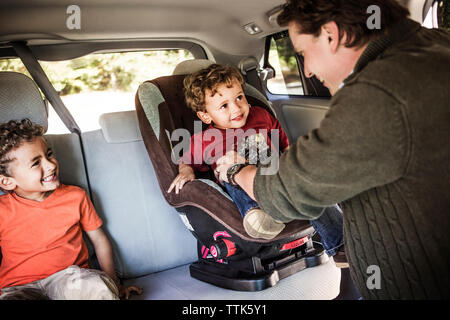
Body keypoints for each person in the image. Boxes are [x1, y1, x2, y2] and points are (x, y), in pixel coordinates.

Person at [215, 0, 450, 299]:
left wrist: (237, 170)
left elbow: (289, 190)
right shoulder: (439, 46)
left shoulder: (376, 93)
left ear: (330, 34)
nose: (309, 71)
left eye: (302, 54)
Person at [168, 64, 345, 262]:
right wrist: (185, 171)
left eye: (239, 97)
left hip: (275, 175)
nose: (236, 108)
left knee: (310, 191)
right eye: (224, 106)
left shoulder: (261, 116)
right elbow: (186, 162)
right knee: (229, 173)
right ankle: (258, 214)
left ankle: (340, 247)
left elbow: (285, 148)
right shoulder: (203, 140)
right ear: (205, 116)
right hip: (240, 183)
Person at [0, 119, 143, 300]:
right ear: (7, 181)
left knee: (98, 287)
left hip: (69, 280)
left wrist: (115, 282)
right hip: (18, 287)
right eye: (36, 163)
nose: (51, 165)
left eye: (49, 154)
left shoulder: (75, 196)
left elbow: (99, 239)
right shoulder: (2, 210)